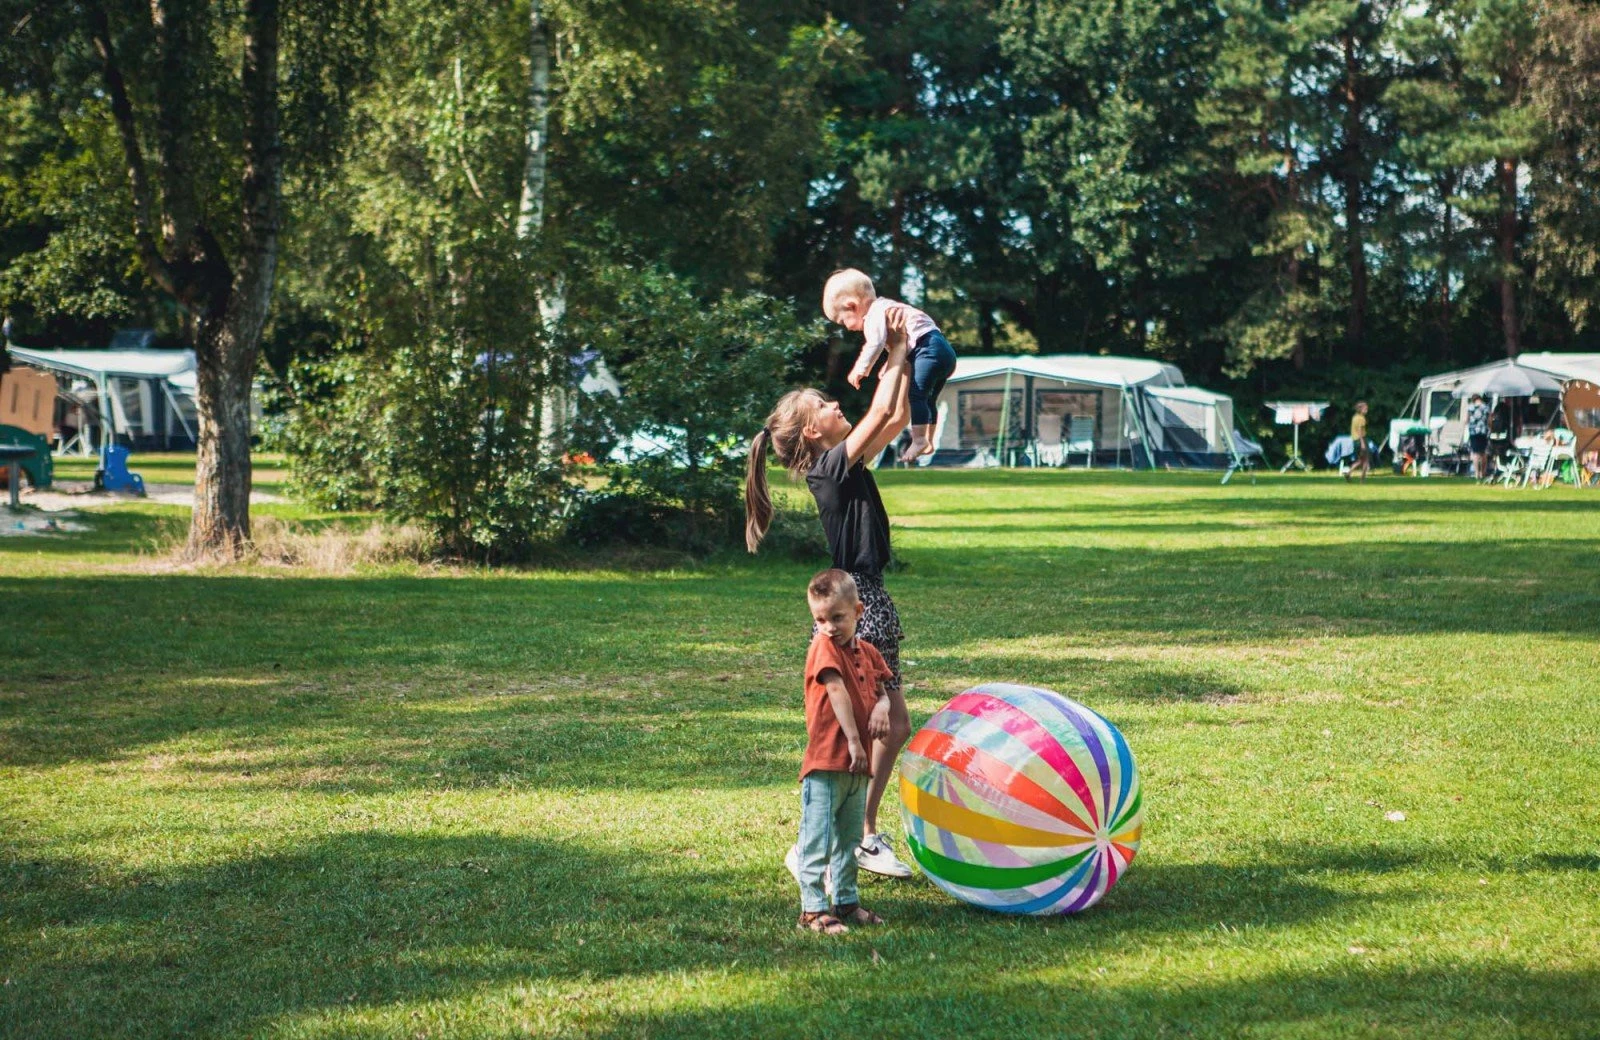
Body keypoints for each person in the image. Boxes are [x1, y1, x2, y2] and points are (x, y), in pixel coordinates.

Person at [745, 328, 916, 880]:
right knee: (884, 724)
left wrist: (904, 356)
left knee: (888, 723)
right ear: (812, 431)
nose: (835, 402)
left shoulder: (841, 465)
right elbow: (882, 411)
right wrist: (894, 350)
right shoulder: (829, 469)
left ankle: (851, 834)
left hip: (868, 596)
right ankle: (853, 836)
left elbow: (893, 417)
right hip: (861, 598)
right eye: (823, 404)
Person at [791, 568, 892, 935]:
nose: (829, 626)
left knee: (849, 839)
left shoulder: (868, 652)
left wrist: (882, 709)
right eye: (820, 619)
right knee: (816, 837)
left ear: (858, 611)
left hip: (857, 765)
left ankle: (846, 901)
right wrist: (853, 740)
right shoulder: (823, 647)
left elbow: (883, 693)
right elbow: (836, 692)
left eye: (837, 617)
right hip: (828, 761)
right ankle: (812, 909)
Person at [824, 268, 957, 463]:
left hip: (927, 349)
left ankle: (919, 439)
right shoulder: (887, 307)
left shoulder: (873, 316)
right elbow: (902, 344)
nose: (847, 327)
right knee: (929, 400)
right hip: (942, 350)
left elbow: (875, 344)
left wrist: (861, 368)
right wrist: (890, 363)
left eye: (843, 321)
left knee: (917, 395)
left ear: (851, 306)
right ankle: (927, 439)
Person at [1466, 393, 1490, 480]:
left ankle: (1477, 473)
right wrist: (1489, 428)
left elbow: (1467, 420)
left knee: (1475, 453)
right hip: (1483, 431)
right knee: (1483, 453)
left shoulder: (1470, 407)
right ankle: (1483, 472)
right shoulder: (1486, 407)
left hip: (1473, 432)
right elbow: (1489, 420)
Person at [1347, 401, 1370, 482]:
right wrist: (1363, 443)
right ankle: (1362, 479)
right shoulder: (1361, 418)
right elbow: (1360, 431)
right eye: (1365, 408)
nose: (1367, 410)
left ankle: (1349, 473)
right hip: (1361, 440)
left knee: (1360, 460)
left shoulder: (1354, 417)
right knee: (1366, 460)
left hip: (1355, 440)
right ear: (1360, 409)